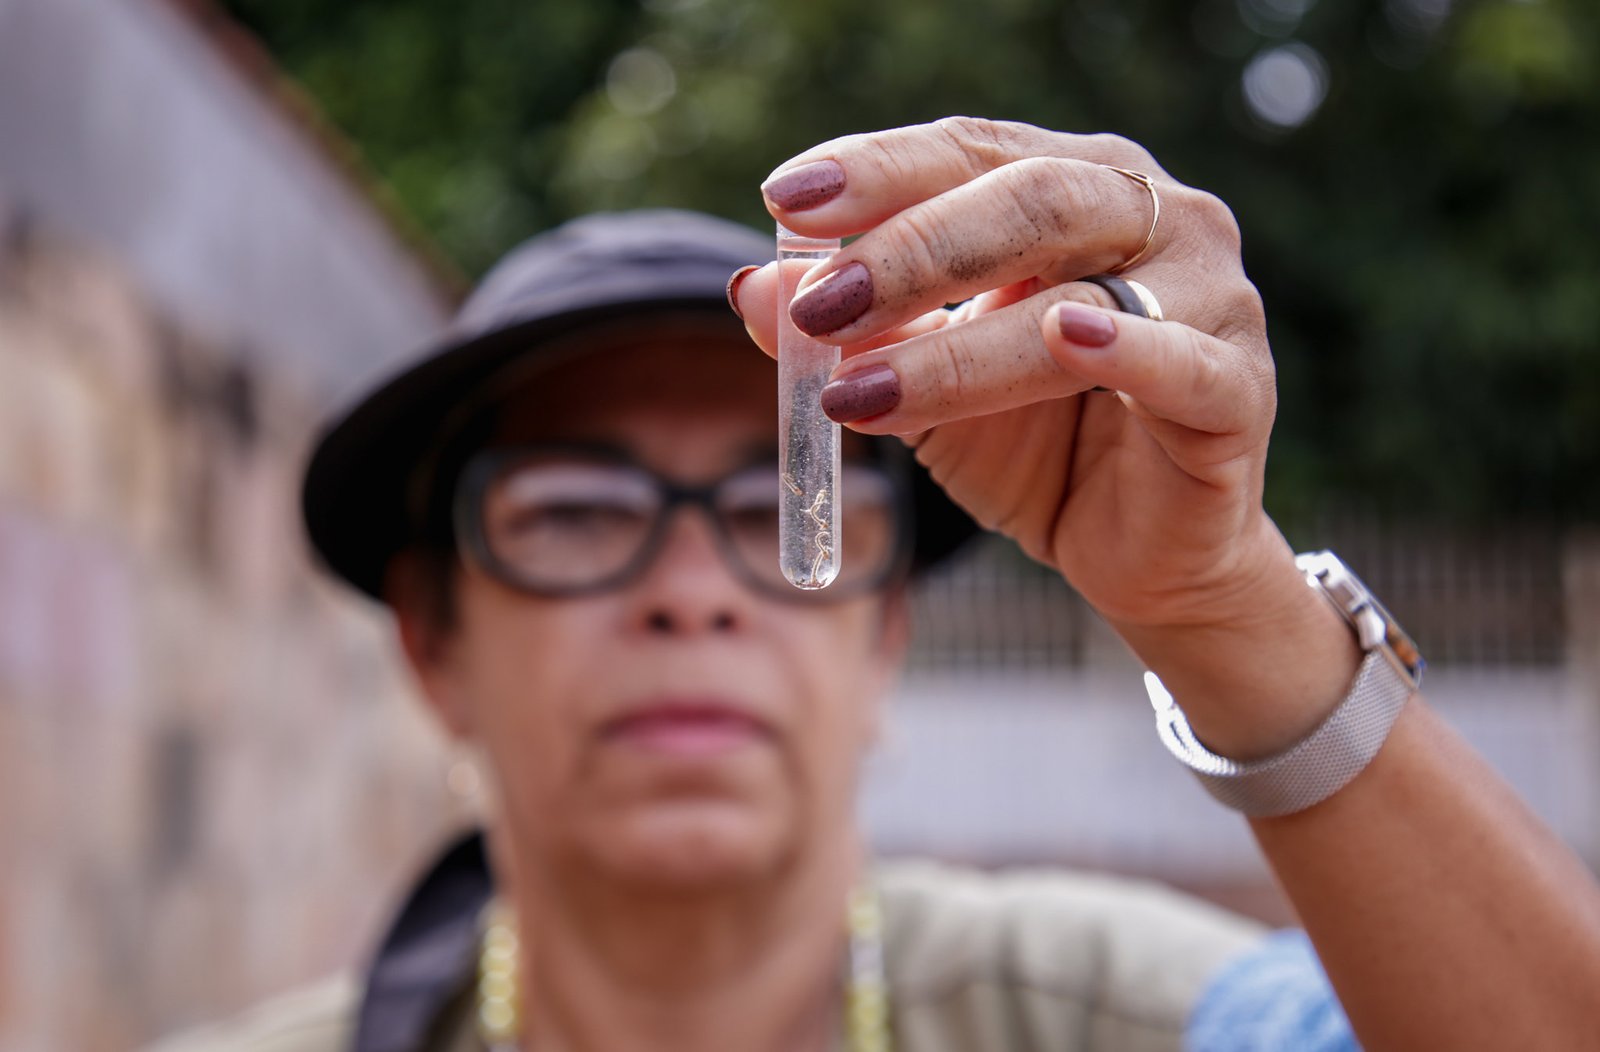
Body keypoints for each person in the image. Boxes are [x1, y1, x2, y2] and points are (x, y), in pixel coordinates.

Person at [151, 119, 1600, 1052]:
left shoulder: (1120, 1013)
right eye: (578, 514)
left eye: (767, 506)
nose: (692, 598)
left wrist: (1224, 607)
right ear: (433, 645)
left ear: (883, 631)